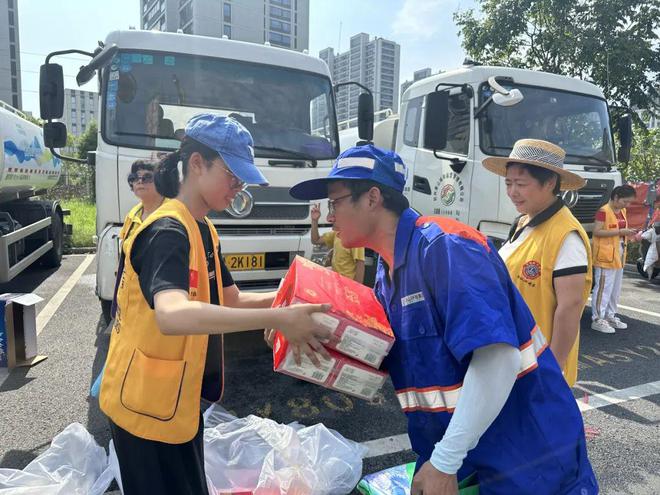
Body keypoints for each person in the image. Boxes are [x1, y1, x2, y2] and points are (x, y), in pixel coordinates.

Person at [290, 144, 598, 495]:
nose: (330, 216)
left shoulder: (447, 247)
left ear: (372, 198)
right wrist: (316, 337)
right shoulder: (388, 274)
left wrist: (445, 460)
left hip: (526, 454)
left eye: (335, 203)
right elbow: (395, 356)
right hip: (466, 454)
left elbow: (498, 357)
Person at [99, 114, 333, 495]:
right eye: (233, 175)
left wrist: (297, 301)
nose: (239, 187)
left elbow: (231, 299)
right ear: (196, 164)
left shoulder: (204, 228)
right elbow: (172, 315)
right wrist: (280, 317)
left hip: (175, 403)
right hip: (142, 408)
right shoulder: (167, 230)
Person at [482, 139, 592, 387]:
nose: (512, 192)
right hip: (509, 357)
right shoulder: (523, 222)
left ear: (550, 182)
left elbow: (570, 308)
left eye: (521, 184)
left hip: (536, 369)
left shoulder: (566, 235)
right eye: (508, 183)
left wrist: (552, 370)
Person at [91, 160, 166, 397]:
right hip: (129, 301)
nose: (139, 182)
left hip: (155, 300)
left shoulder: (170, 217)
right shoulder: (133, 214)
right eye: (135, 178)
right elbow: (125, 259)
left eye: (147, 177)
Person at [591, 185, 637, 334]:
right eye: (625, 201)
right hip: (605, 256)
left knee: (615, 290)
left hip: (619, 254)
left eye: (629, 202)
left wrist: (628, 233)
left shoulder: (622, 211)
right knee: (603, 288)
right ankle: (598, 318)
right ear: (616, 197)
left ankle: (610, 315)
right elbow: (597, 232)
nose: (627, 205)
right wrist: (620, 231)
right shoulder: (603, 211)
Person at [310, 202, 365, 283]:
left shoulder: (354, 238)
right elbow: (315, 240)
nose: (329, 219)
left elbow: (360, 265)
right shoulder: (336, 234)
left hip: (347, 285)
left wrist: (357, 289)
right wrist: (314, 221)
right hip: (336, 283)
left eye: (334, 216)